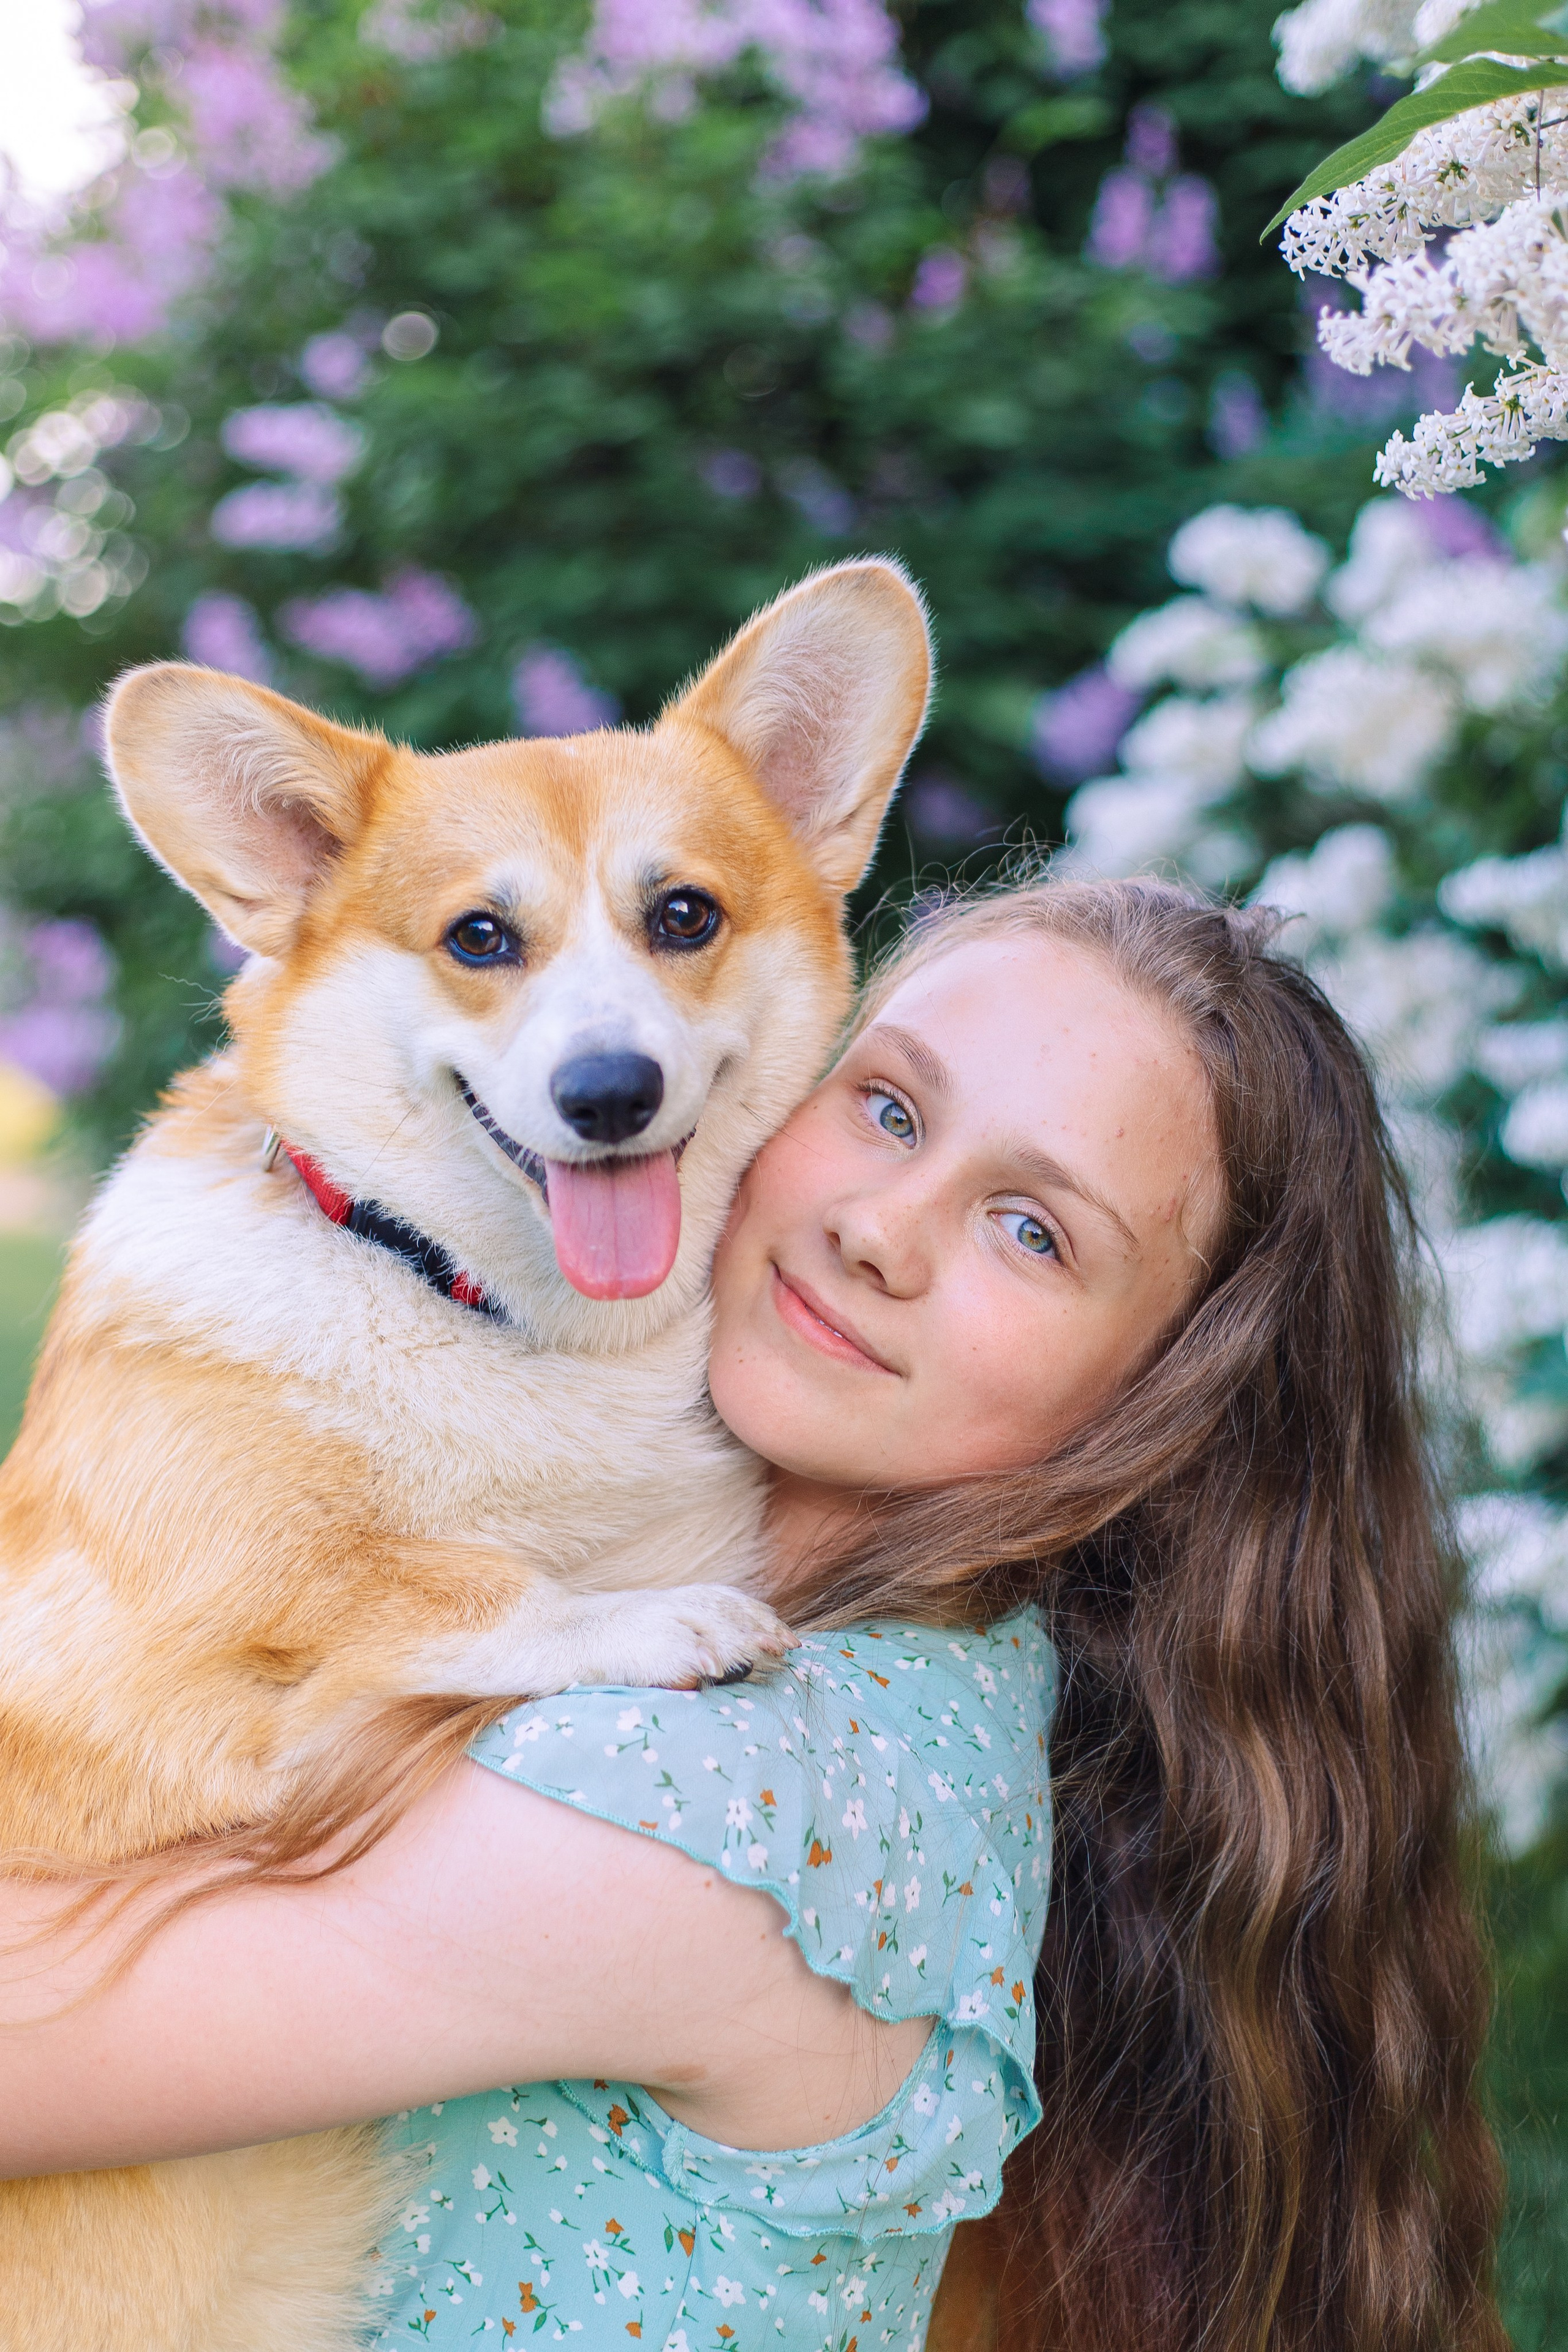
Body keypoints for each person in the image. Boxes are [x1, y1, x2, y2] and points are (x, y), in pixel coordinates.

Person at [0, 876, 1503, 2352]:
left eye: (1031, 1232)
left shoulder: (729, 1807)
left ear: (1163, 1407)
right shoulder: (840, 1661)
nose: (879, 1230)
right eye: (889, 1110)